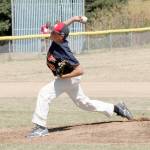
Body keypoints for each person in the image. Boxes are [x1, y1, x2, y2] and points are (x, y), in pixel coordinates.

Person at [27, 16, 133, 138]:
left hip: (69, 78)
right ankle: (117, 108)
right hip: (69, 79)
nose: (51, 33)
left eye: (54, 32)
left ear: (61, 36)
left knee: (44, 94)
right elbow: (63, 26)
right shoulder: (58, 38)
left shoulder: (64, 50)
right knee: (84, 103)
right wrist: (75, 19)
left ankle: (40, 128)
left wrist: (64, 76)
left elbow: (80, 70)